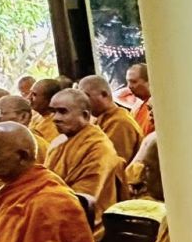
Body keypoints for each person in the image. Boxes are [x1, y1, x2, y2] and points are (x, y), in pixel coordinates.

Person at [46, 89, 121, 224]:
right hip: (53, 210)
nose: (55, 118)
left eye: (62, 112)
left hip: (87, 224)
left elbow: (83, 200)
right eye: (53, 111)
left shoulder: (99, 148)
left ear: (85, 115)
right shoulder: (59, 142)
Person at [78, 74, 142, 161]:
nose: (83, 103)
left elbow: (111, 163)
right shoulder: (100, 120)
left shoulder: (120, 122)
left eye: (86, 97)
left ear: (104, 94)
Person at [27, 78, 62, 142]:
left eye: (34, 94)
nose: (28, 97)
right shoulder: (34, 115)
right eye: (30, 93)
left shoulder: (57, 124)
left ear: (49, 99)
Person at [125, 63, 154, 138]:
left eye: (134, 81)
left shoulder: (158, 105)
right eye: (128, 82)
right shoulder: (136, 107)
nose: (129, 86)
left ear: (149, 81)